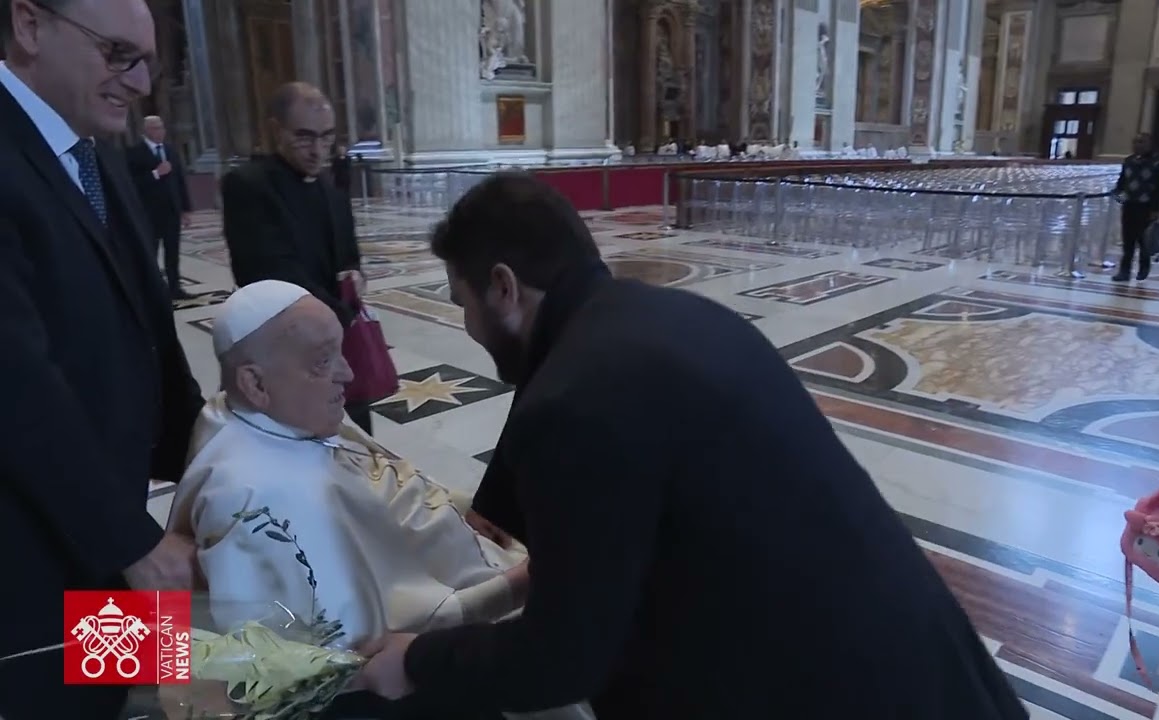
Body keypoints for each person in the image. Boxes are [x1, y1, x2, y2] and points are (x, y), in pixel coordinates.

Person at [356, 172, 1027, 720]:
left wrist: (417, 662)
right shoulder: (671, 316)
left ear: (503, 287)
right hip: (917, 665)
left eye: (462, 301)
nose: (467, 324)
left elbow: (562, 660)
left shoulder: (573, 399)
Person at [167, 280, 590, 720]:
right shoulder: (264, 501)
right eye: (323, 361)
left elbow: (381, 478)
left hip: (458, 559)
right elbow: (376, 650)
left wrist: (469, 507)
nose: (348, 374)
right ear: (254, 382)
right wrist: (523, 582)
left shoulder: (263, 411)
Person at [0, 0, 206, 718]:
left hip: (117, 524)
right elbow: (14, 380)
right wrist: (130, 543)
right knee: (66, 705)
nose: (141, 82)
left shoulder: (96, 152)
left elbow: (149, 330)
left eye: (146, 61)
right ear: (30, 26)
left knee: (146, 694)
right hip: (36, 553)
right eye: (119, 54)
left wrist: (215, 456)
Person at [219, 81, 372, 434]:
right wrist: (335, 315)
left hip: (336, 348)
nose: (318, 151)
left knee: (351, 442)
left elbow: (349, 257)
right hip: (283, 354)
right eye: (304, 137)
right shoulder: (248, 186)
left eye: (327, 137)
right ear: (277, 131)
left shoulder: (332, 192)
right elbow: (266, 271)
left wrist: (355, 276)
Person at [126, 113, 192, 299]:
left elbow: (180, 180)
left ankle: (175, 288)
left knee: (173, 252)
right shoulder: (134, 153)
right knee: (150, 253)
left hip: (171, 210)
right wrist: (155, 174)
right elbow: (131, 183)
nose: (160, 132)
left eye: (161, 127)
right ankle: (152, 290)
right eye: (155, 128)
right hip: (149, 212)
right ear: (145, 131)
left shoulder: (170, 150)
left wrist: (185, 209)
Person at [1112, 132, 1159, 282]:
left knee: (1144, 240)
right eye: (1135, 142)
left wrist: (1156, 209)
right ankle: (1124, 271)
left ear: (1149, 144)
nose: (1137, 145)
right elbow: (1122, 180)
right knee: (1128, 240)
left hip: (1146, 207)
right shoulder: (1129, 161)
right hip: (1129, 205)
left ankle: (1144, 267)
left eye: (1142, 142)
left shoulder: (1157, 162)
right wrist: (1117, 193)